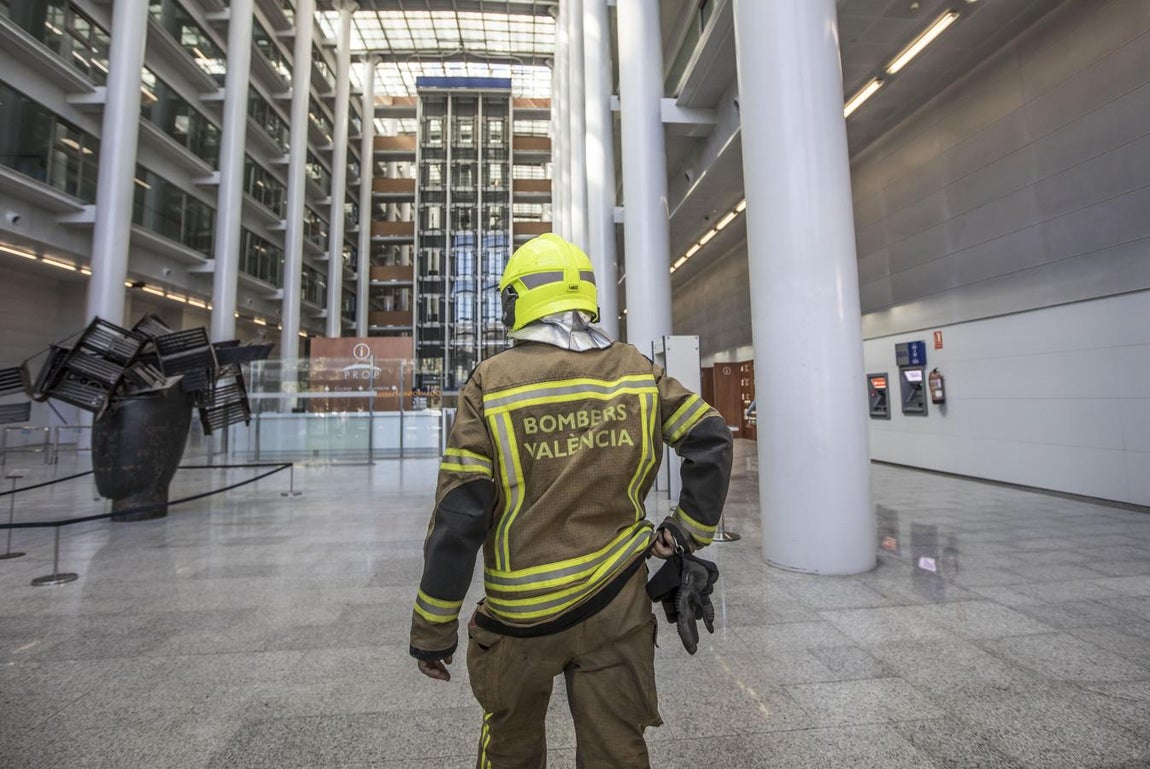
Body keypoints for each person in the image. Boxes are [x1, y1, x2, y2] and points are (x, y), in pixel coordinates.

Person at [409, 233, 733, 769]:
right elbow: (712, 438)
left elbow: (460, 516)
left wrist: (432, 630)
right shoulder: (636, 369)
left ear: (518, 300)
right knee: (617, 750)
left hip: (520, 619)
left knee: (511, 748)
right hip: (619, 606)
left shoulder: (492, 382)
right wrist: (686, 531)